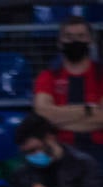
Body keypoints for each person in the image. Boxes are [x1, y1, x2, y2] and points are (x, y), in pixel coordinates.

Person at [9, 114, 103, 187]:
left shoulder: (84, 164)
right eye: (26, 153)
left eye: (34, 150)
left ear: (50, 138)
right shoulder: (22, 172)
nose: (31, 156)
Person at [32, 16, 103, 164]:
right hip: (59, 149)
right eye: (69, 37)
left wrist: (58, 117)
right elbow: (43, 114)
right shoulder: (48, 76)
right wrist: (88, 110)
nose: (75, 41)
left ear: (91, 41)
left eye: (80, 36)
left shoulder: (100, 75)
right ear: (59, 43)